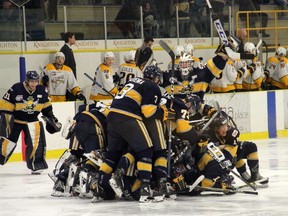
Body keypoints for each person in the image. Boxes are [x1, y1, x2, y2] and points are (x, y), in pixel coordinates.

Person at [98, 64, 168, 202]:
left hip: (112, 117)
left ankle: (99, 188)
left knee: (113, 154)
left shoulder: (132, 81)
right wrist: (163, 112)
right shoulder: (152, 86)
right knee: (146, 149)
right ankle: (145, 189)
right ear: (156, 78)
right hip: (128, 117)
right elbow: (148, 112)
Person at [0, 71, 61, 174]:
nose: (34, 84)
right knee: (7, 141)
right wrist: (5, 121)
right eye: (32, 81)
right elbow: (6, 105)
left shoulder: (42, 90)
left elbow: (46, 108)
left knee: (36, 143)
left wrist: (52, 118)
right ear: (27, 81)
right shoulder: (16, 88)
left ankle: (36, 165)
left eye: (36, 81)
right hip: (16, 121)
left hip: (32, 120)